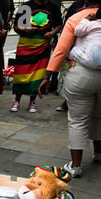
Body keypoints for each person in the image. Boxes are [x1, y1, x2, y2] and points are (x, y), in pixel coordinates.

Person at [38, 4, 101, 178]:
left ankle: (75, 166)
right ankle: (98, 154)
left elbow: (61, 49)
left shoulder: (77, 18)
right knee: (99, 116)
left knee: (78, 120)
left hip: (81, 74)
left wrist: (47, 76)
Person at [11, 0, 62, 113]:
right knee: (20, 73)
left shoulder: (53, 6)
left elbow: (59, 24)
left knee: (38, 74)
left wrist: (52, 33)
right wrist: (25, 29)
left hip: (43, 45)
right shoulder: (25, 6)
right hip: (25, 44)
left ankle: (32, 102)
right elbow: (16, 27)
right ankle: (17, 100)